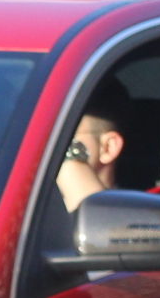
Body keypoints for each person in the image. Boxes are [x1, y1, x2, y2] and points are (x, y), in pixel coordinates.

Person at [55, 79, 131, 213]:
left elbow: (105, 228)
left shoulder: (139, 216)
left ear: (108, 147)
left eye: (68, 139)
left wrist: (68, 155)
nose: (51, 149)